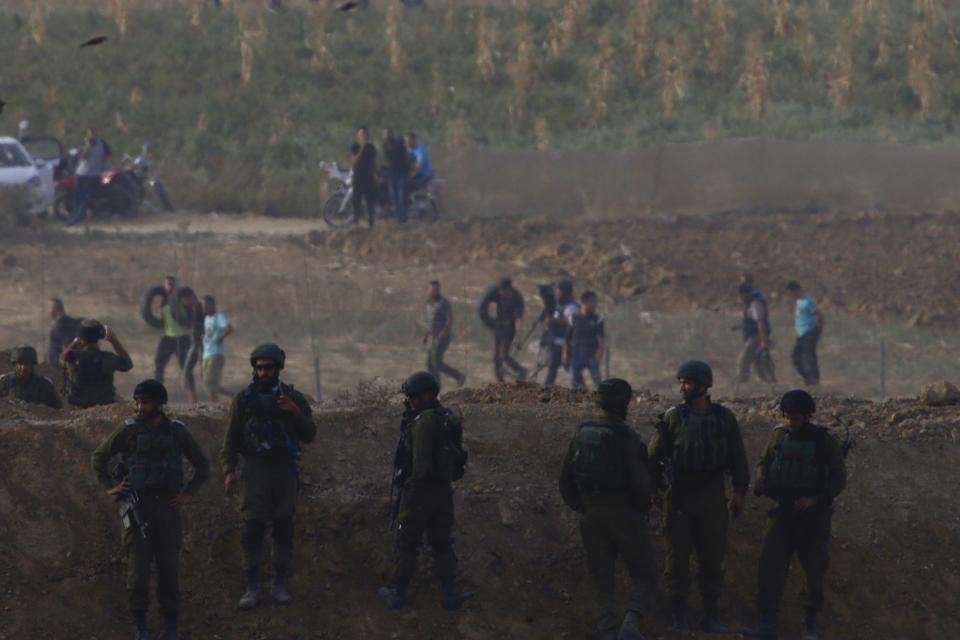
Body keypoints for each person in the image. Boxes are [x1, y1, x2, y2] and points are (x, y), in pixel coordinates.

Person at [91, 379, 210, 640]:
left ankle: (170, 626)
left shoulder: (177, 432)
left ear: (159, 404)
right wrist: (111, 487)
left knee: (169, 571)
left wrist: (188, 494)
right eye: (138, 402)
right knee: (138, 573)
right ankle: (140, 625)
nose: (140, 407)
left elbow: (203, 466)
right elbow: (99, 457)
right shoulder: (129, 430)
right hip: (138, 509)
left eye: (145, 402)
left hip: (168, 509)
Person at [648, 361, 750, 633]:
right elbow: (653, 459)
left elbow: (738, 457)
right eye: (681, 382)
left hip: (712, 497)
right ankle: (678, 614)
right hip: (679, 497)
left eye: (688, 382)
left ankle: (711, 614)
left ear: (704, 386)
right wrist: (657, 492)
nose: (683, 387)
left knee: (711, 559)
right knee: (677, 559)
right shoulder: (673, 418)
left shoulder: (724, 418)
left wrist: (739, 492)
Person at [742, 390, 847, 640]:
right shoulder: (779, 435)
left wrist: (815, 499)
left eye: (796, 418)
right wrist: (762, 481)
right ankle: (767, 623)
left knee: (814, 569)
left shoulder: (824, 440)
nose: (791, 422)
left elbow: (838, 478)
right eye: (788, 417)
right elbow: (764, 462)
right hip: (783, 510)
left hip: (812, 516)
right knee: (769, 567)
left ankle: (809, 622)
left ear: (807, 416)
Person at [221, 343, 316, 610]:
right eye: (259, 367)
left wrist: (295, 414)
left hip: (284, 470)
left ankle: (279, 583)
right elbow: (231, 439)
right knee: (252, 530)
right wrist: (229, 470)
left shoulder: (293, 399)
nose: (263, 372)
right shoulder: (243, 400)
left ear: (278, 368)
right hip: (256, 470)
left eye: (268, 368)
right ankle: (252, 586)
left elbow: (309, 434)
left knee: (284, 529)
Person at [559, 379, 656, 640]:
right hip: (624, 513)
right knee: (646, 573)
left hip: (591, 515)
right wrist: (639, 511)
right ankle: (631, 622)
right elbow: (642, 486)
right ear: (623, 405)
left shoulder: (582, 433)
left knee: (603, 577)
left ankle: (608, 628)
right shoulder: (628, 438)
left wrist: (585, 506)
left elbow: (565, 482)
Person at [378, 371, 470, 611]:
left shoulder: (423, 423)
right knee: (442, 544)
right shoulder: (444, 417)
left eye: (413, 396)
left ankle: (397, 594)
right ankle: (449, 594)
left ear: (427, 395)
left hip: (420, 493)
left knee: (407, 543)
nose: (410, 401)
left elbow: (419, 465)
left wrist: (409, 491)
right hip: (442, 492)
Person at [61, 319, 133, 408]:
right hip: (104, 406)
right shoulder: (108, 358)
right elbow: (128, 364)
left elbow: (62, 358)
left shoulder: (74, 356)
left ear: (82, 339)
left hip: (79, 406)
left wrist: (76, 342)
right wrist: (114, 340)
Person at [477, 277, 527, 382]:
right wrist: (491, 324)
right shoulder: (494, 291)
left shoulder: (516, 298)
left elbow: (519, 320)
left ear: (510, 290)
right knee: (496, 358)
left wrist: (518, 337)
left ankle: (521, 371)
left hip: (511, 327)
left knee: (504, 355)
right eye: (501, 292)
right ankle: (500, 382)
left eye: (505, 292)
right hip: (499, 325)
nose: (503, 294)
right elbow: (481, 308)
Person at [423, 280, 466, 388]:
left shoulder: (444, 302)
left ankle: (458, 376)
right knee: (429, 362)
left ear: (439, 290)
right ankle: (435, 384)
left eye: (436, 290)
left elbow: (450, 319)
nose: (433, 292)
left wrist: (444, 332)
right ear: (428, 290)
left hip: (443, 336)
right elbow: (430, 321)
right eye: (431, 290)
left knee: (436, 361)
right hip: (433, 337)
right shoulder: (429, 303)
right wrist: (426, 335)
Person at [66, 127, 111, 226]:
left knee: (84, 197)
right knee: (77, 197)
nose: (92, 136)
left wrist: (107, 170)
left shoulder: (102, 144)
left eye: (93, 134)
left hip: (93, 175)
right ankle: (76, 216)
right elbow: (82, 157)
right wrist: (87, 146)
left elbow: (108, 156)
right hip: (80, 174)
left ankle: (75, 219)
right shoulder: (84, 144)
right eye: (90, 135)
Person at [155, 276, 193, 386]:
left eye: (171, 284)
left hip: (183, 337)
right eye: (167, 284)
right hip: (168, 337)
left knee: (185, 367)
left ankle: (192, 396)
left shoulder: (181, 298)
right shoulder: (164, 301)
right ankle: (157, 391)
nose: (169, 287)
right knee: (159, 364)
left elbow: (191, 311)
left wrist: (188, 323)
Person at [737, 283, 776, 386]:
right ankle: (769, 383)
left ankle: (742, 383)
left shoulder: (755, 304)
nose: (740, 298)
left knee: (744, 360)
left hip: (756, 337)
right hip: (754, 336)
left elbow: (760, 322)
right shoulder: (749, 304)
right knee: (758, 361)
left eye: (740, 295)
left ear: (745, 293)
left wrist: (763, 341)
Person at [564, 291, 605, 389]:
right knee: (575, 381)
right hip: (576, 353)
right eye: (593, 302)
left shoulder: (597, 319)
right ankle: (582, 397)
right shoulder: (574, 318)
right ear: (584, 303)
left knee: (597, 381)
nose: (595, 305)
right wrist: (565, 353)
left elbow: (601, 337)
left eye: (596, 302)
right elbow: (567, 338)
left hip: (591, 353)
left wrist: (600, 350)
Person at [787, 281, 823, 387]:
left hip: (810, 332)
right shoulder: (798, 302)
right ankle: (808, 379)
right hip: (801, 334)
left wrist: (819, 330)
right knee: (795, 357)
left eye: (792, 293)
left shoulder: (808, 301)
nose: (791, 296)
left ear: (797, 290)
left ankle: (814, 380)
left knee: (809, 357)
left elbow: (818, 315)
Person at [544, 280, 578, 386]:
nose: (557, 293)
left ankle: (580, 389)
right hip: (555, 342)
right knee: (552, 369)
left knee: (570, 368)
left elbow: (570, 321)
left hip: (565, 343)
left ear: (564, 292)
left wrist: (553, 321)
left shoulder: (571, 306)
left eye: (558, 291)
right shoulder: (560, 306)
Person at [202, 295, 233, 402]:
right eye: (203, 305)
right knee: (209, 384)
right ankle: (232, 398)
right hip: (206, 354)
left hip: (215, 354)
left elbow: (228, 328)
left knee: (210, 383)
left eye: (206, 305)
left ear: (212, 305)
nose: (204, 307)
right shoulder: (206, 318)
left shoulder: (219, 316)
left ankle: (219, 403)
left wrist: (220, 337)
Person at [180, 289, 204, 404]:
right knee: (187, 371)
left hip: (203, 344)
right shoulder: (190, 310)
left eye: (185, 300)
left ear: (191, 298)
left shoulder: (202, 308)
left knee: (205, 373)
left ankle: (226, 396)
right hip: (194, 344)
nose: (184, 302)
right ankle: (194, 400)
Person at [352, 126, 379, 228]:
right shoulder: (355, 146)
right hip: (358, 176)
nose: (364, 136)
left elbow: (374, 161)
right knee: (356, 200)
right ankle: (356, 222)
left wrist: (375, 174)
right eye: (362, 134)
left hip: (368, 176)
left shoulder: (371, 147)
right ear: (358, 135)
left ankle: (371, 223)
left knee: (370, 201)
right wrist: (362, 147)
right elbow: (355, 159)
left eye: (365, 134)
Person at [383, 128, 410, 223]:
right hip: (392, 173)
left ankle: (403, 219)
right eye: (384, 134)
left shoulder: (398, 143)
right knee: (394, 197)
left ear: (391, 134)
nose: (385, 136)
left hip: (402, 173)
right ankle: (398, 218)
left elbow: (406, 155)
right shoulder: (385, 146)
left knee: (402, 196)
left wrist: (408, 168)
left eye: (387, 134)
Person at [47, 298, 82, 367]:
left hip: (62, 366)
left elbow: (66, 345)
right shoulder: (71, 322)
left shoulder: (60, 325)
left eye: (50, 308)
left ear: (55, 308)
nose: (49, 311)